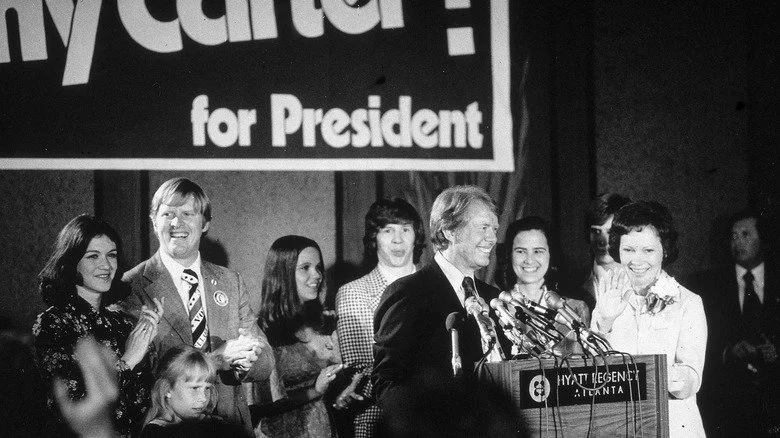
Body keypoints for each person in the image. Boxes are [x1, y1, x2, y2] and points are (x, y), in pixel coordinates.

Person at [122, 177, 275, 434]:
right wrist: (215, 360)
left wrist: (247, 359)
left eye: (187, 214)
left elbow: (267, 361)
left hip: (230, 428)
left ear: (205, 224)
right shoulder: (132, 285)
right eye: (167, 213)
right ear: (153, 221)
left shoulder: (230, 281)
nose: (176, 223)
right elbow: (136, 371)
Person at [372, 185, 513, 437]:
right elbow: (387, 383)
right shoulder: (407, 293)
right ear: (448, 231)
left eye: (494, 229)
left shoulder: (493, 298)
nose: (492, 238)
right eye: (482, 228)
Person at [33, 214, 162, 437]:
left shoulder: (121, 322)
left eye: (111, 255)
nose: (106, 265)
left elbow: (145, 399)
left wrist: (149, 339)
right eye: (93, 256)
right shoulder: (53, 323)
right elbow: (76, 404)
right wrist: (129, 359)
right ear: (71, 263)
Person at [591, 201, 707, 437]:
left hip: (674, 426)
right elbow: (591, 374)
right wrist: (606, 321)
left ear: (665, 250)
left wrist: (661, 374)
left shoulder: (688, 302)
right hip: (619, 426)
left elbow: (692, 379)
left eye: (648, 250)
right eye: (629, 250)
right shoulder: (607, 297)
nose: (637, 260)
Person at [335, 198, 425, 437]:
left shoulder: (436, 286)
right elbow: (360, 371)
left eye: (406, 229)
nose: (398, 240)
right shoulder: (353, 292)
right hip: (380, 423)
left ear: (416, 236)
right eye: (388, 230)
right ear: (374, 237)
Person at [254, 235, 346, 437]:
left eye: (318, 267)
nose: (317, 275)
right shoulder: (262, 330)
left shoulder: (324, 322)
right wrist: (315, 390)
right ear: (283, 273)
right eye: (305, 268)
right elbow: (258, 407)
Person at [699, 209, 779, 436]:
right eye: (733, 236)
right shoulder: (708, 286)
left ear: (763, 239)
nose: (738, 242)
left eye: (746, 234)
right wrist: (728, 352)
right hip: (728, 405)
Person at [496, 216, 591, 355]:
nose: (529, 260)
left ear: (550, 255)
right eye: (521, 251)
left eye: (538, 251)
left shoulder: (575, 308)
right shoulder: (497, 308)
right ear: (509, 255)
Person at [141, 346, 249, 437]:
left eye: (207, 388)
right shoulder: (156, 433)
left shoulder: (211, 425)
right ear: (167, 389)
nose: (203, 398)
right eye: (194, 388)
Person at [574, 193, 631, 310]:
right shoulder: (573, 282)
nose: (602, 241)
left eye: (610, 232)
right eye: (596, 231)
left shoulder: (643, 281)